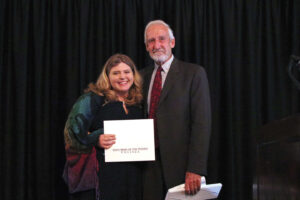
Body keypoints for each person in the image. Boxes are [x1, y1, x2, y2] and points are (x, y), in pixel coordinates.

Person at [140, 20, 212, 200]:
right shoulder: (139, 77)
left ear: (172, 42)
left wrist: (195, 168)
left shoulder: (194, 74)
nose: (156, 45)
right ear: (146, 46)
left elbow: (201, 123)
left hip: (182, 168)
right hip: (147, 168)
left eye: (161, 39)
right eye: (151, 41)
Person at [63, 54, 144, 200]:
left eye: (127, 72)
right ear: (107, 76)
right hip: (102, 177)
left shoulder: (138, 103)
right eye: (116, 73)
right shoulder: (93, 99)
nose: (122, 77)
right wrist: (96, 139)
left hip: (133, 177)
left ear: (134, 75)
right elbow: (71, 134)